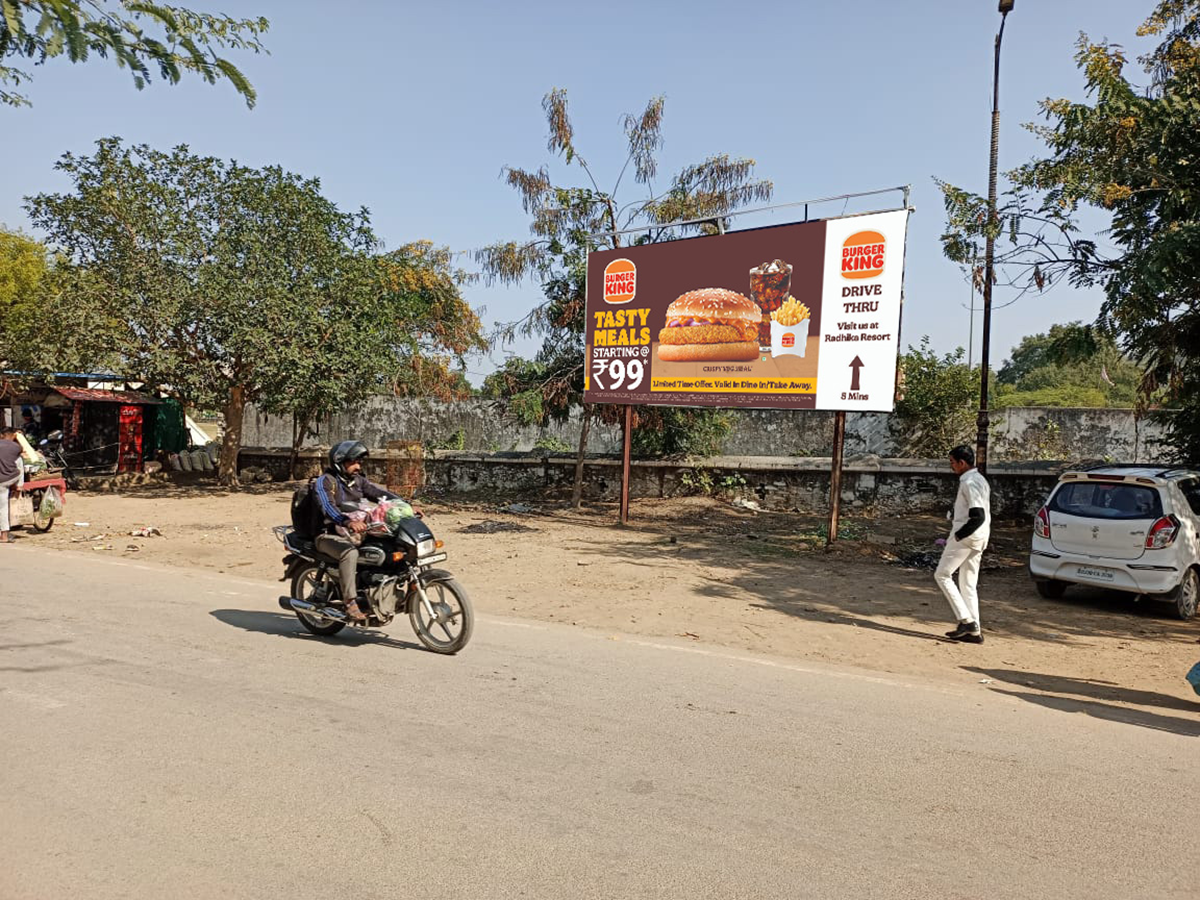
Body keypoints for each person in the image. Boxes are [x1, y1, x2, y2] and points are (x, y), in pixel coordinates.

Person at [312, 441, 396, 622]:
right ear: (339, 462)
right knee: (350, 554)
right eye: (352, 462)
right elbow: (327, 506)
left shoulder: (357, 481)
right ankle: (350, 601)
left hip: (353, 532)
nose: (357, 466)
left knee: (386, 544)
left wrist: (404, 505)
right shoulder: (325, 482)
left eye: (359, 462)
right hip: (327, 535)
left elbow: (378, 493)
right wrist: (347, 521)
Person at [934, 444, 991, 643]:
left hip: (968, 536)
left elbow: (978, 516)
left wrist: (959, 535)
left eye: (952, 462)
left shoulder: (970, 482)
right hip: (978, 537)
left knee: (942, 574)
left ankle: (966, 621)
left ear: (962, 463)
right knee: (968, 583)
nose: (951, 466)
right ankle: (973, 630)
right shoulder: (978, 479)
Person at [0, 425, 25, 544]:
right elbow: (23, 454)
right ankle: (4, 535)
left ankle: (4, 535)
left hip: (2, 480)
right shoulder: (17, 447)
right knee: (2, 507)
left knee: (2, 507)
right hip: (10, 479)